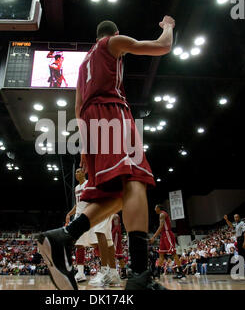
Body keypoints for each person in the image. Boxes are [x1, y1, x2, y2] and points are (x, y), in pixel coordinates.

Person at [36, 15, 175, 290]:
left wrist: (87, 149)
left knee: (119, 195)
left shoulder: (83, 63)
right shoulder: (112, 43)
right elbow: (162, 47)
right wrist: (168, 27)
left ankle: (62, 236)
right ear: (114, 34)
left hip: (90, 121)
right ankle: (139, 276)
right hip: (112, 111)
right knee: (137, 182)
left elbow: (77, 108)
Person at [65, 168, 89, 282]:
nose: (76, 173)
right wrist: (69, 214)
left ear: (84, 173)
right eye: (75, 172)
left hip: (89, 215)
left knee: (96, 244)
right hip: (78, 217)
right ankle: (80, 273)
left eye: (79, 171)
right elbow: (77, 205)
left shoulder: (88, 184)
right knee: (79, 245)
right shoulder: (76, 188)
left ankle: (106, 270)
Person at [149, 204, 185, 279]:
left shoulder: (162, 214)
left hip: (167, 233)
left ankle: (181, 272)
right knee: (161, 254)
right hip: (163, 235)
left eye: (155, 207)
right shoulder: (161, 214)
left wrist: (153, 237)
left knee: (173, 253)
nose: (154, 209)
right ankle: (157, 273)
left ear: (158, 208)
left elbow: (161, 226)